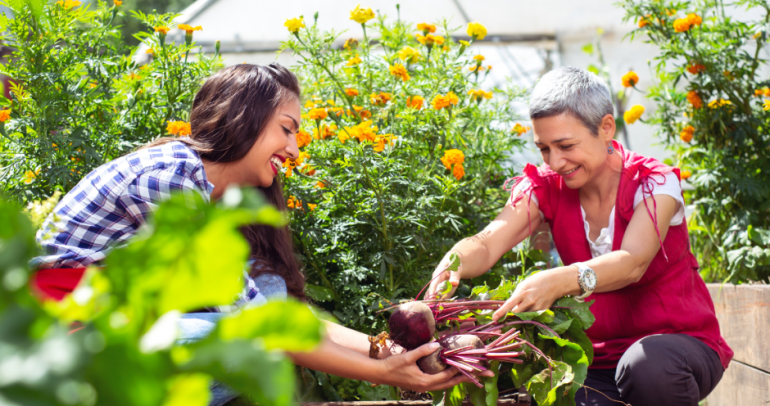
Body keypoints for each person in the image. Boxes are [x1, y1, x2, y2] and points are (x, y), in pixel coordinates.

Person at [31, 63, 473, 405]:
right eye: (286, 129)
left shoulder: (211, 192)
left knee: (269, 288)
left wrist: (387, 350)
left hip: (108, 324)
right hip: (58, 347)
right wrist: (385, 374)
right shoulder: (170, 181)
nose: (295, 149)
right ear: (244, 117)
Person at [425, 66, 733, 406]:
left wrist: (560, 279)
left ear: (605, 128)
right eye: (544, 149)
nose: (555, 161)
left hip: (677, 349)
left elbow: (633, 263)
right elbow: (486, 242)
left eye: (565, 145)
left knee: (648, 366)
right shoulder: (545, 187)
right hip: (596, 362)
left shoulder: (655, 183)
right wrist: (451, 264)